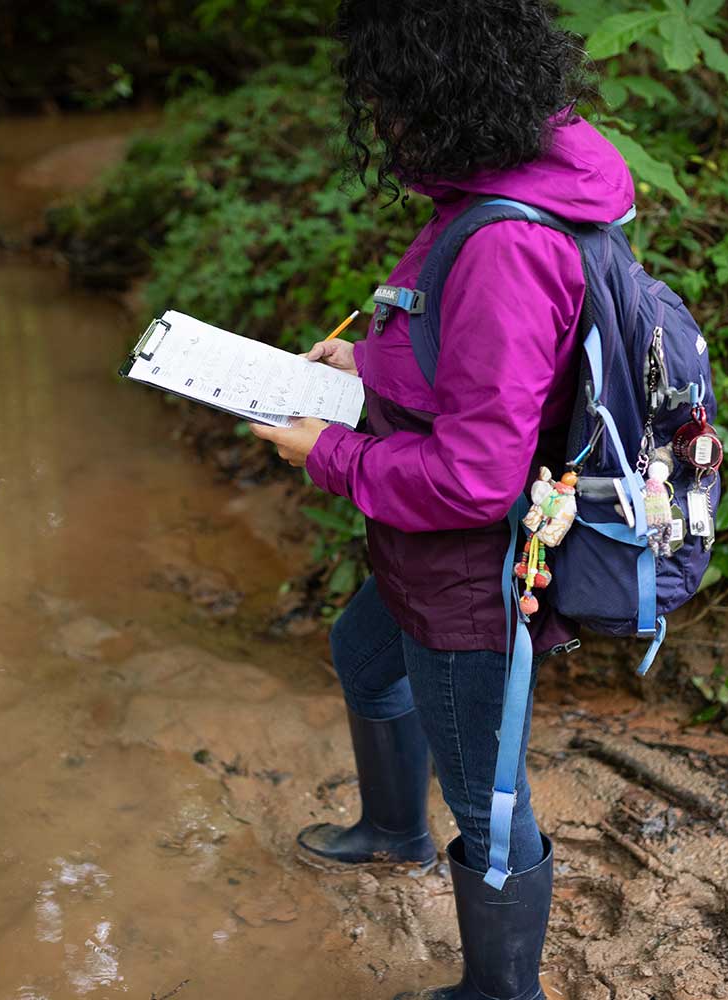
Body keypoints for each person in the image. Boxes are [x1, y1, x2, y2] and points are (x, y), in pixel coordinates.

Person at [249, 2, 634, 997]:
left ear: (441, 96)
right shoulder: (516, 175)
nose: (377, 118)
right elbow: (467, 360)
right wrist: (365, 364)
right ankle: (388, 830)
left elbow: (473, 475)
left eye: (388, 99)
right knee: (363, 654)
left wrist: (326, 451)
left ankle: (501, 989)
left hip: (472, 566)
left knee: (487, 790)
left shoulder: (508, 240)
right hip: (425, 548)